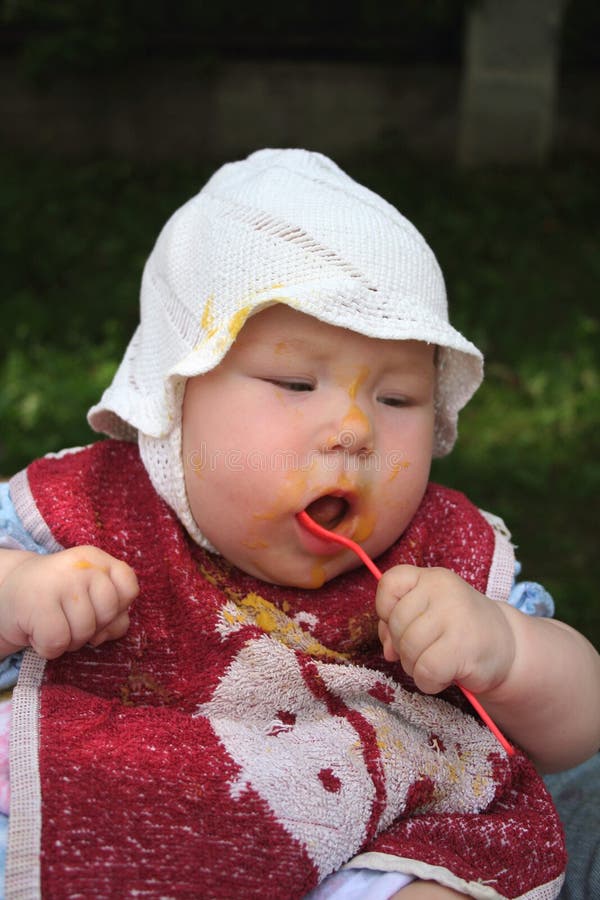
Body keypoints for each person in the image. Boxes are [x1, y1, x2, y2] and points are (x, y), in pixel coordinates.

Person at [0, 149, 598, 899]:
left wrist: (506, 651)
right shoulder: (88, 514)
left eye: (398, 399)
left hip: (371, 840)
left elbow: (580, 735)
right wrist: (18, 589)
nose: (351, 429)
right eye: (293, 382)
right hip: (114, 800)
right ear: (173, 400)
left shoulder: (439, 560)